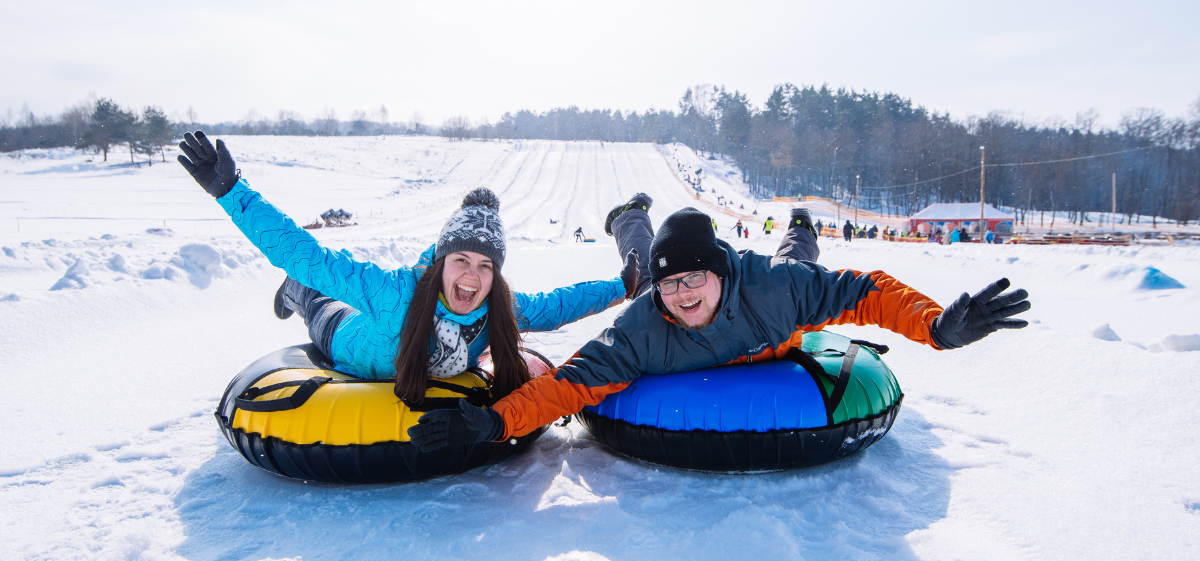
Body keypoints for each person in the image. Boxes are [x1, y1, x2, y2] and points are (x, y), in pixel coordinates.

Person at [408, 201, 1030, 450]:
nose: (683, 295)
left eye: (694, 280)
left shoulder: (769, 289)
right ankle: (630, 220)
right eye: (673, 285)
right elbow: (569, 384)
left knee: (798, 261)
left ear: (721, 273)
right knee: (640, 267)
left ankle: (802, 228)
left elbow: (864, 292)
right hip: (661, 287)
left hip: (776, 299)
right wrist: (493, 422)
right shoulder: (645, 326)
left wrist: (937, 328)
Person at [176, 132, 639, 407]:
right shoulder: (395, 292)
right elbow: (307, 255)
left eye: (484, 266)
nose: (472, 278)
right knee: (314, 292)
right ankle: (297, 293)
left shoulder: (499, 308)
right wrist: (230, 191)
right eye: (460, 261)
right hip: (346, 339)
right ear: (440, 263)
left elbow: (558, 305)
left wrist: (621, 286)